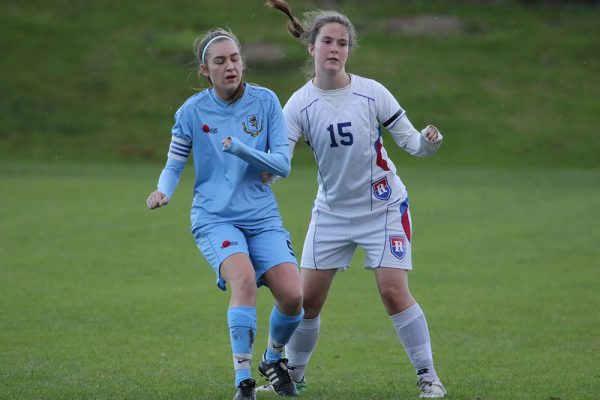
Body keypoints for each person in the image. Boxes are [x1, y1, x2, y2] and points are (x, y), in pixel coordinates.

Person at [264, 1, 447, 398]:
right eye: (327, 41)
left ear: (348, 50)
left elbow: (413, 144)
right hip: (330, 212)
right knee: (307, 301)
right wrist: (262, 170)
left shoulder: (371, 92)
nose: (335, 48)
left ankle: (429, 377)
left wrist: (430, 143)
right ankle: (293, 377)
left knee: (392, 291)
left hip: (383, 207)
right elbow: (280, 159)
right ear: (311, 47)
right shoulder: (298, 104)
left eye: (342, 43)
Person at [146, 28, 304, 400]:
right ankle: (243, 380)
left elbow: (282, 165)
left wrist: (242, 150)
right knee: (244, 280)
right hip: (215, 217)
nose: (230, 66)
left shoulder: (266, 103)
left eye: (234, 58)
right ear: (205, 69)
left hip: (262, 217)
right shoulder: (190, 112)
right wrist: (162, 192)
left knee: (295, 297)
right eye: (220, 61)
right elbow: (174, 164)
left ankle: (272, 359)